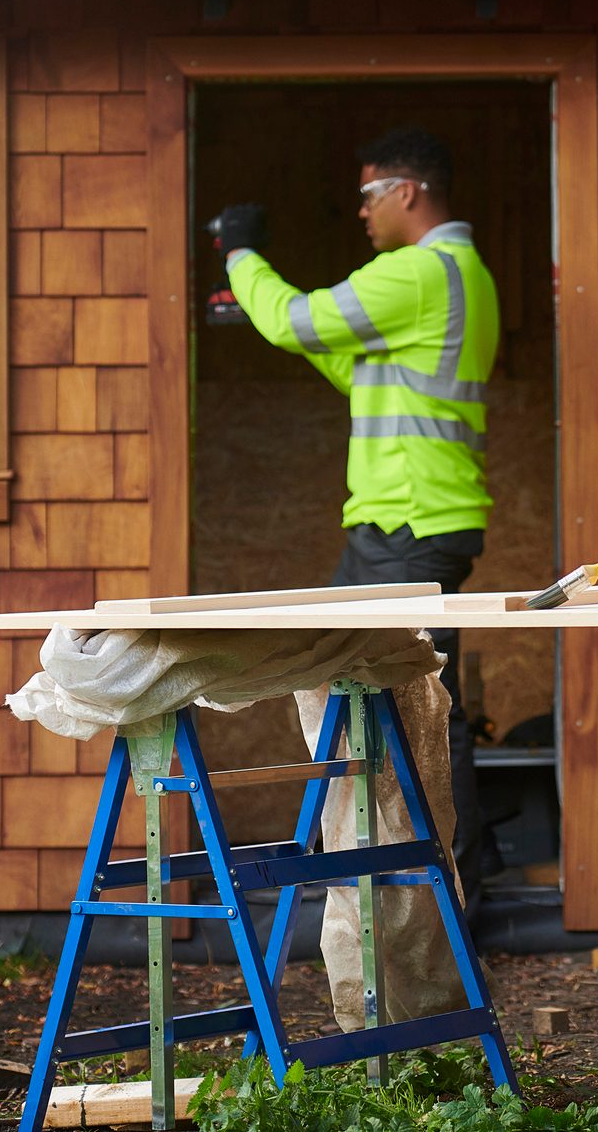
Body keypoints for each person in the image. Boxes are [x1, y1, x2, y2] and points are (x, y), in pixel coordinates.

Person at [213, 126, 501, 901]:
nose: (362, 213)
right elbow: (351, 366)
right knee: (405, 704)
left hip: (406, 525)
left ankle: (445, 895)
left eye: (370, 196)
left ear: (407, 192)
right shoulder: (457, 276)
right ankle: (409, 886)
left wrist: (240, 257)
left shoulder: (417, 272)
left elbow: (297, 319)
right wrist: (266, 314)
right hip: (407, 525)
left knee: (422, 715)